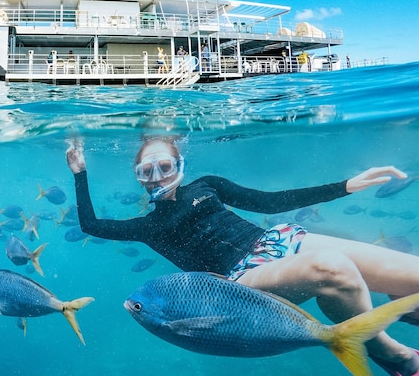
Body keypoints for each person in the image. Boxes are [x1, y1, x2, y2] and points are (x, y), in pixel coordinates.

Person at [66, 136, 419, 376]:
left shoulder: (207, 185)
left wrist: (345, 186)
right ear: (138, 178)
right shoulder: (145, 226)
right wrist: (80, 173)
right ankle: (392, 354)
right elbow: (91, 224)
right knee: (332, 267)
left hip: (279, 240)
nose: (157, 177)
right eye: (146, 171)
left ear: (180, 164)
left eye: (165, 166)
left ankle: (399, 304)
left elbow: (268, 202)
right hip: (238, 281)